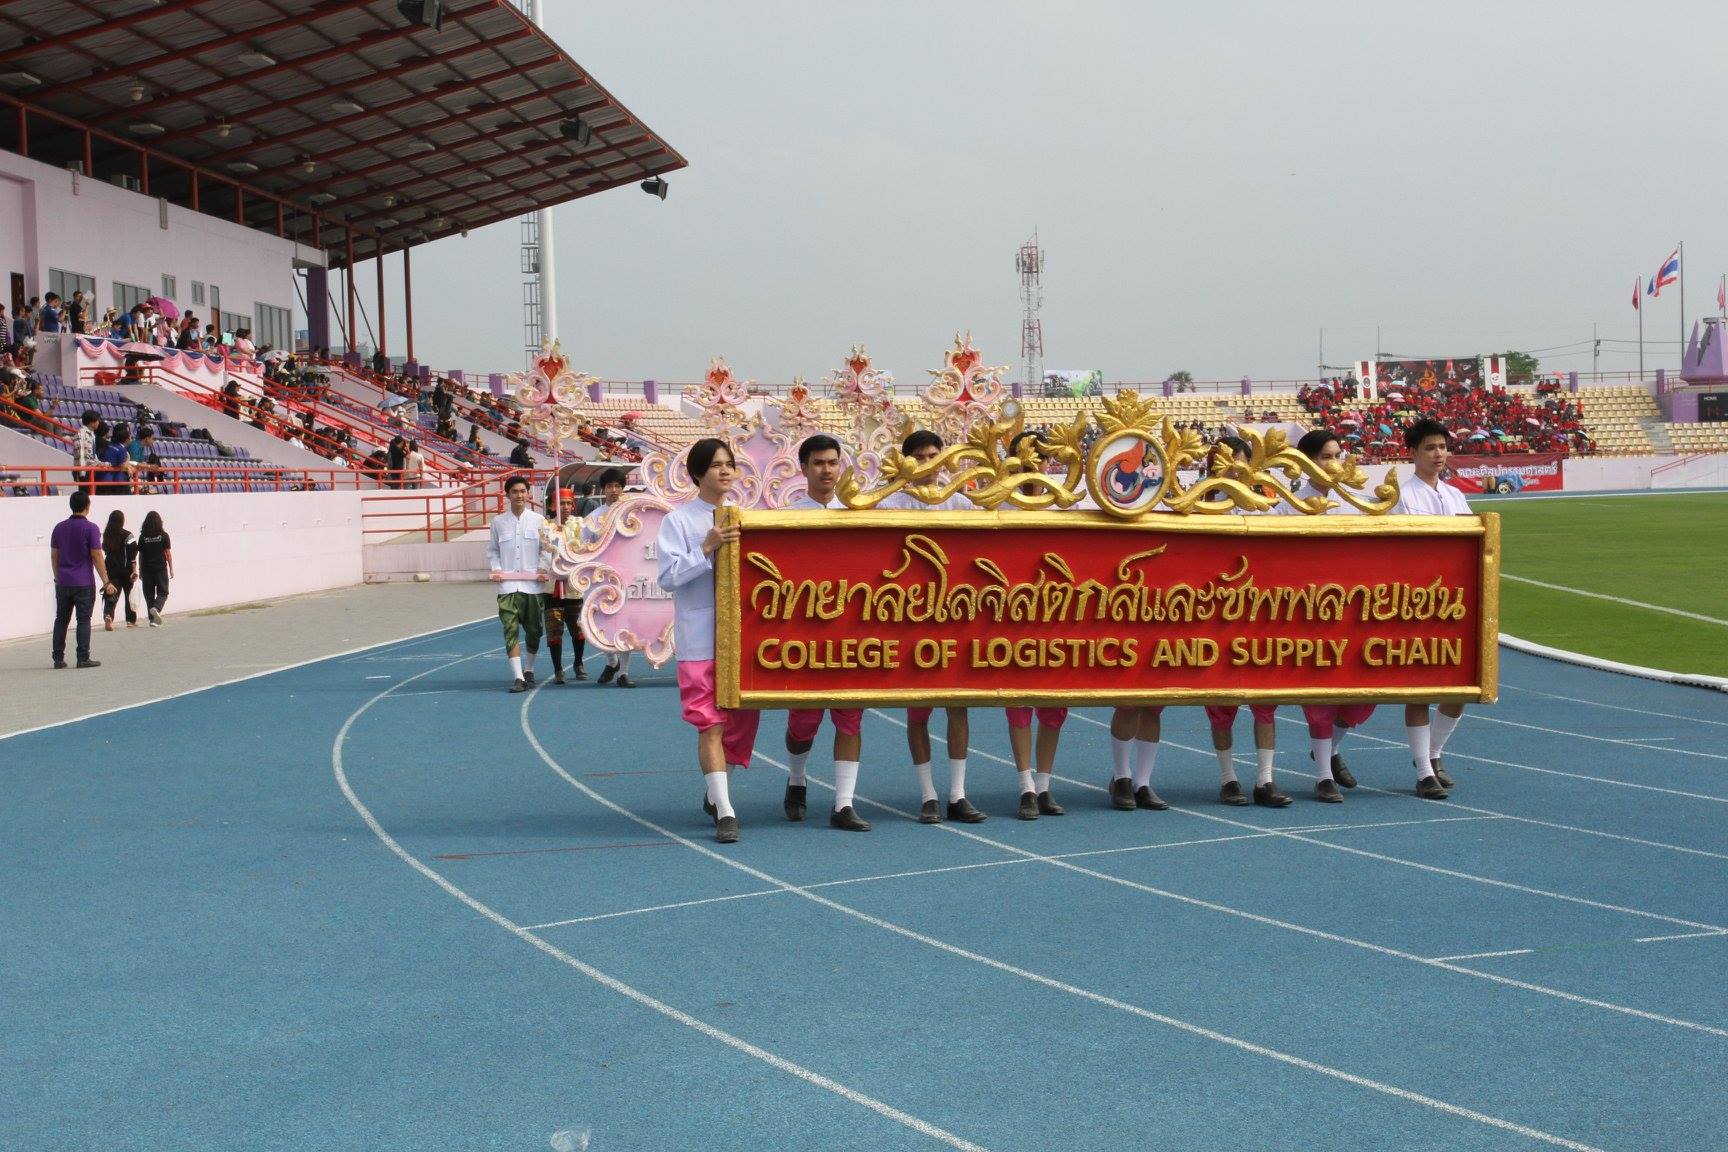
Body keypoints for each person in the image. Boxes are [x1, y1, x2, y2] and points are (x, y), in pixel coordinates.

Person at [655, 438, 761, 844]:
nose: (725, 471)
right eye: (716, 465)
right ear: (698, 473)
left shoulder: (746, 518)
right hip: (700, 639)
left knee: (742, 722)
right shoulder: (678, 522)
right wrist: (706, 548)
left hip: (743, 638)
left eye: (730, 464)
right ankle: (726, 811)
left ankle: (716, 793)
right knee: (710, 724)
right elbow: (667, 578)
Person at [880, 429, 984, 824]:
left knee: (958, 705)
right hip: (909, 618)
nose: (929, 464)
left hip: (954, 616)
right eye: (921, 457)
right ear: (906, 461)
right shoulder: (888, 504)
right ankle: (927, 795)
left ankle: (958, 794)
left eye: (934, 456)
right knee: (918, 710)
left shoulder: (961, 502)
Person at [780, 435, 870, 831]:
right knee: (804, 721)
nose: (827, 470)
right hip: (806, 634)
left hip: (851, 633)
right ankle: (797, 779)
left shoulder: (859, 515)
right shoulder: (786, 519)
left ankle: (843, 804)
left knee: (851, 716)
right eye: (818, 463)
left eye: (833, 462)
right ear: (803, 468)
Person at [1393, 418, 1472, 791]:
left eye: (1442, 446)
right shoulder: (1403, 497)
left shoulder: (1455, 495)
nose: (1438, 454)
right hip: (1418, 602)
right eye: (1429, 447)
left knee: (1460, 688)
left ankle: (1434, 753)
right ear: (1413, 452)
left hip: (1454, 602)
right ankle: (1424, 771)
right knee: (1420, 689)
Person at [488, 474, 549, 692]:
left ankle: (529, 668)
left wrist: (543, 568)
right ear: (508, 495)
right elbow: (493, 550)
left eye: (523, 491)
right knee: (510, 629)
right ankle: (518, 677)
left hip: (532, 586)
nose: (519, 495)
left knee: (534, 631)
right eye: (514, 492)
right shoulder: (498, 522)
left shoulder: (539, 520)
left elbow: (546, 549)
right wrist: (496, 569)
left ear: (528, 494)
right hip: (507, 587)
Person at [50, 490, 116, 669]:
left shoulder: (59, 528)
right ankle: (82, 657)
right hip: (83, 582)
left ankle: (58, 658)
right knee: (84, 620)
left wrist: (57, 577)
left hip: (63, 581)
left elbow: (54, 556)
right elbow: (96, 555)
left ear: (71, 506)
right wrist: (106, 581)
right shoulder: (91, 528)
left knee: (61, 619)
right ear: (88, 506)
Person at [583, 469, 637, 687]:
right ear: (603, 489)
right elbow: (584, 545)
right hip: (601, 579)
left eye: (617, 486)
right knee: (599, 624)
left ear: (622, 488)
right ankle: (612, 661)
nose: (614, 490)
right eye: (609, 486)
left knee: (626, 625)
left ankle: (623, 672)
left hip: (627, 578)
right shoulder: (594, 518)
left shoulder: (632, 514)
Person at [542, 489, 588, 684]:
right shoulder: (546, 526)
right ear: (553, 505)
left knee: (578, 628)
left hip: (573, 583)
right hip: (552, 585)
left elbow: (583, 546)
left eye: (569, 503)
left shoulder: (580, 524)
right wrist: (555, 535)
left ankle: (578, 663)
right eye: (561, 503)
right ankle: (558, 669)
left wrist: (567, 536)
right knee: (554, 628)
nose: (566, 507)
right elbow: (544, 548)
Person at [100, 509, 138, 630]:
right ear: (122, 521)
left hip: (111, 569)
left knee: (111, 593)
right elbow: (132, 554)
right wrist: (134, 570)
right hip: (126, 570)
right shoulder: (128, 535)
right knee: (129, 595)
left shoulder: (106, 535)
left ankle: (108, 615)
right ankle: (130, 621)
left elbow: (105, 549)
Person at [135, 510, 172, 624]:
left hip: (147, 569)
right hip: (160, 568)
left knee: (149, 594)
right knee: (163, 592)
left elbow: (141, 555)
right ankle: (156, 608)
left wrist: (140, 570)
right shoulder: (164, 535)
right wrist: (171, 568)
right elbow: (168, 553)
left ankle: (152, 620)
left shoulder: (142, 537)